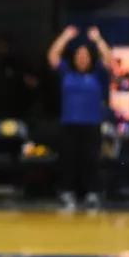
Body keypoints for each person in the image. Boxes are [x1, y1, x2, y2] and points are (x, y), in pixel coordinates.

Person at [47, 24, 112, 212]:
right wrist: (65, 36)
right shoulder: (66, 73)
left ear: (90, 59)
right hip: (69, 125)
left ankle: (92, 193)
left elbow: (109, 59)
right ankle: (67, 193)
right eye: (79, 55)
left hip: (91, 125)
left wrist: (98, 40)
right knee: (68, 161)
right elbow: (52, 56)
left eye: (85, 56)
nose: (82, 58)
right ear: (74, 58)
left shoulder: (98, 75)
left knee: (91, 160)